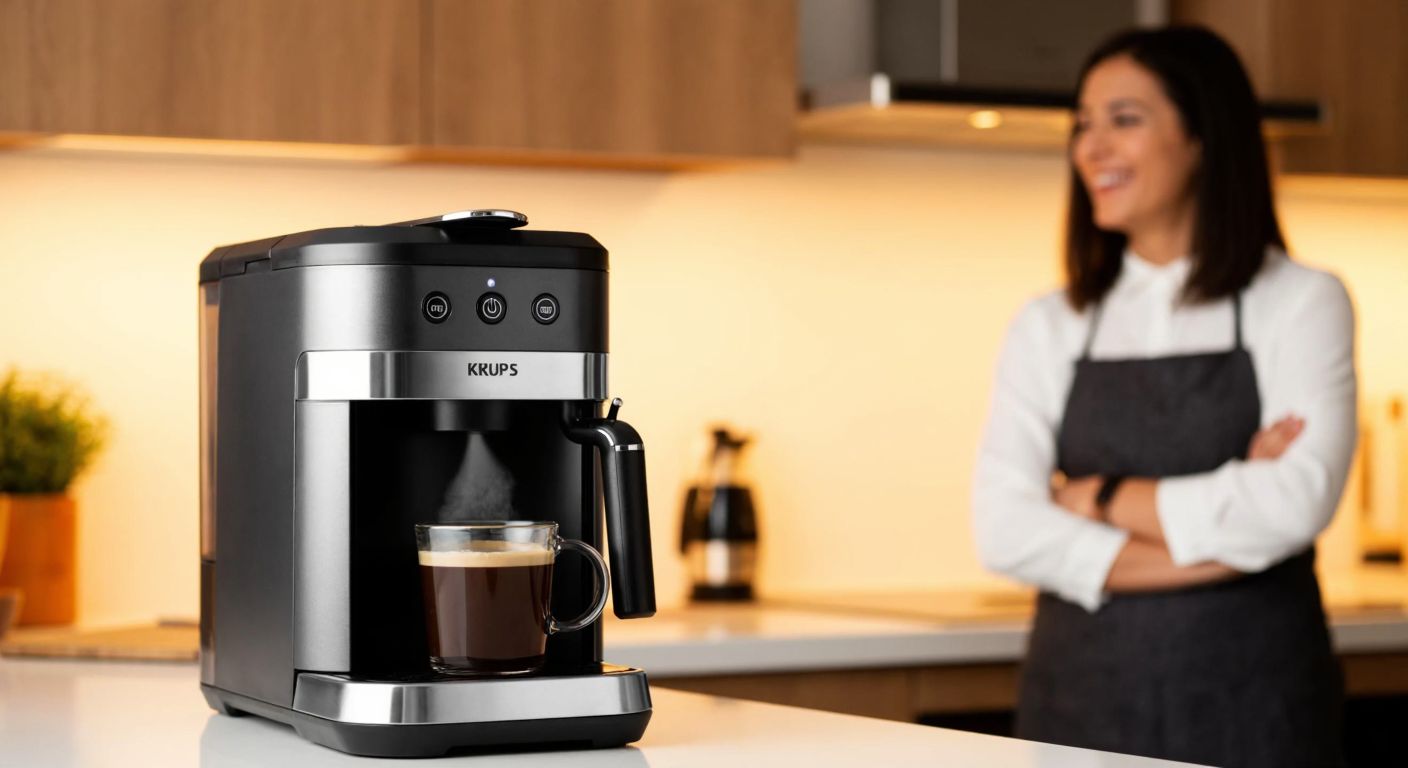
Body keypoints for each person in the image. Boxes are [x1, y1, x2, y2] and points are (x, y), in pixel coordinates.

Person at [972, 26, 1356, 768]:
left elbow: (1294, 503)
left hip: (1256, 709)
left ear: (1203, 136)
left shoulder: (1301, 302)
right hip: (1077, 709)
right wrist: (1231, 546)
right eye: (1082, 123)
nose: (1091, 148)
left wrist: (1101, 496)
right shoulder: (1051, 323)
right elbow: (1002, 528)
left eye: (1124, 119)